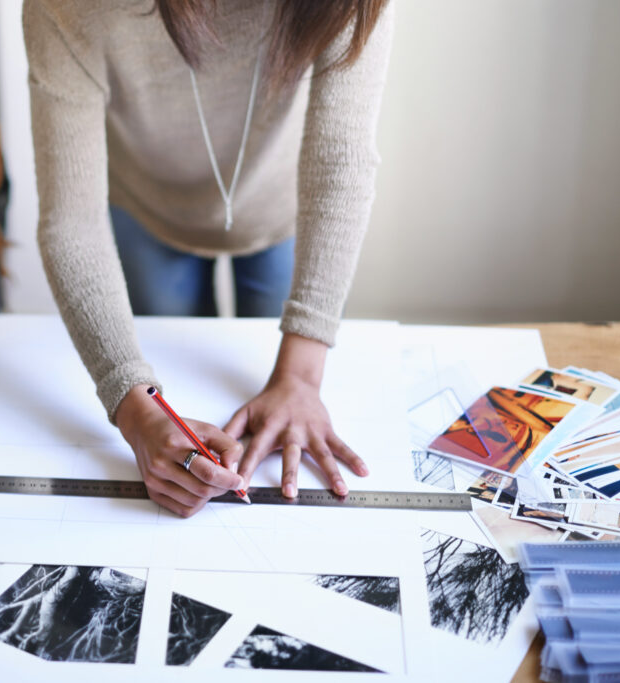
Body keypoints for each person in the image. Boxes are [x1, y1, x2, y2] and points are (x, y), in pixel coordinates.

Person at [24, 0, 395, 517]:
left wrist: (301, 378)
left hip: (279, 208)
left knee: (271, 400)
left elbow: (342, 163)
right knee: (174, 376)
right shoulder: (68, 8)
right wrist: (136, 411)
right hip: (149, 208)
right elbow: (71, 219)